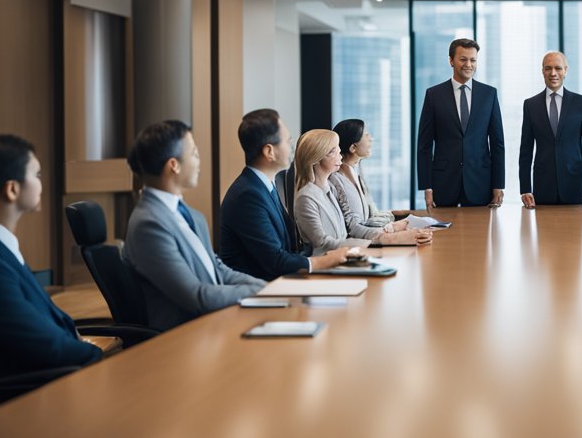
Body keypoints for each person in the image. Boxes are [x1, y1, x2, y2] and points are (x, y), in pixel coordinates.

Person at [0, 134, 103, 389]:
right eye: (36, 175)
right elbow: (45, 347)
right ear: (12, 189)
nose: (41, 184)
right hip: (18, 401)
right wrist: (105, 358)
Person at [124, 120, 265, 331]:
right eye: (194, 154)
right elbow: (196, 296)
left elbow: (217, 269)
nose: (199, 162)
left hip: (216, 321)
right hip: (186, 336)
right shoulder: (149, 224)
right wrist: (259, 292)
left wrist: (262, 287)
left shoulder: (190, 214)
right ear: (174, 165)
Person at [220, 109, 351, 279]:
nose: (292, 147)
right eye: (287, 141)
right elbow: (275, 261)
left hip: (278, 282)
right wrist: (326, 261)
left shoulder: (264, 186)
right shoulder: (247, 195)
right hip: (259, 291)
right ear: (269, 152)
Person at [295, 129, 432, 254]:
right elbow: (323, 244)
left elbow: (348, 232)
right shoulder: (306, 198)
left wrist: (388, 234)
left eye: (338, 149)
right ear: (315, 158)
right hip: (327, 265)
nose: (340, 156)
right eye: (332, 151)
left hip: (345, 257)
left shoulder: (329, 189)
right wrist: (390, 239)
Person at [416, 38, 505, 208]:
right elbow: (424, 146)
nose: (468, 64)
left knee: (479, 234)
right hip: (443, 184)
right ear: (451, 60)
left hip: (481, 183)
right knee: (444, 234)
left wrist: (498, 184)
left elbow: (497, 144)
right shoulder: (434, 95)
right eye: (463, 59)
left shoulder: (489, 94)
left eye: (473, 60)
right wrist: (426, 187)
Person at [518, 52, 582, 207]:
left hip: (574, 185)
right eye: (548, 68)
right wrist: (525, 189)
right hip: (542, 187)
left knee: (575, 230)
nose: (553, 73)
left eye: (558, 68)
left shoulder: (580, 103)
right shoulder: (530, 105)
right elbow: (525, 150)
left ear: (566, 70)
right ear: (542, 71)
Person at [330, 119, 437, 238]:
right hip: (362, 243)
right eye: (366, 135)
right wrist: (391, 228)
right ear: (353, 148)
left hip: (370, 236)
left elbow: (371, 216)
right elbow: (356, 226)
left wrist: (399, 215)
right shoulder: (338, 180)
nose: (371, 138)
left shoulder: (356, 172)